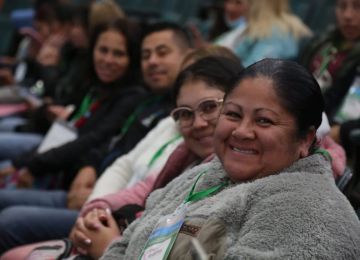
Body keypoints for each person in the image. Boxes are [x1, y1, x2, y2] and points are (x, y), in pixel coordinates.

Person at [100, 59, 360, 259]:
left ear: (305, 139)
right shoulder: (200, 176)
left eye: (263, 120)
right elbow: (126, 243)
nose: (241, 131)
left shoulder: (312, 213)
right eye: (233, 115)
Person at [3, 56, 243, 260]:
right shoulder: (182, 154)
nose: (198, 123)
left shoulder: (231, 173)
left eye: (210, 107)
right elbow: (136, 182)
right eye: (185, 113)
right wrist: (96, 213)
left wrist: (111, 242)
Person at [0, 21, 193, 255]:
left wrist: (96, 202)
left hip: (109, 212)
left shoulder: (167, 112)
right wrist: (89, 167)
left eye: (162, 53)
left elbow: (141, 183)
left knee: (10, 220)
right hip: (90, 192)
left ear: (188, 57)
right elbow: (112, 150)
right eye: (147, 55)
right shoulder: (147, 103)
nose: (152, 61)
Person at [300, 0, 360, 157]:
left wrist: (341, 130)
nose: (347, 15)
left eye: (358, 7)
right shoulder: (321, 42)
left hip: (332, 130)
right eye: (342, 7)